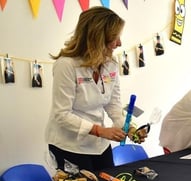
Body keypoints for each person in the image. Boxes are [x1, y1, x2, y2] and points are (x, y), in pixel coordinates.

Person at [45, 6, 147, 172]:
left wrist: (129, 129)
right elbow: (61, 114)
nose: (119, 43)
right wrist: (99, 131)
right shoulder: (66, 65)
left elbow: (113, 105)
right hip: (69, 146)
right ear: (97, 38)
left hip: (99, 145)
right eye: (115, 37)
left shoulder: (110, 64)